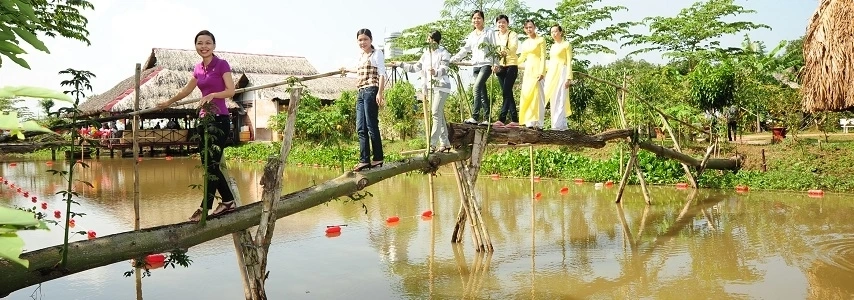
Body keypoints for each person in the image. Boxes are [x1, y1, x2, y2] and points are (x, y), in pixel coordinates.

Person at [155, 30, 236, 222]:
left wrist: (212, 95)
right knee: (208, 164)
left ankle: (204, 207)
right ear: (196, 46)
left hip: (219, 120)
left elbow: (230, 90)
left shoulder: (222, 64)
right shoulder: (198, 68)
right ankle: (228, 201)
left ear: (214, 46)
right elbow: (186, 91)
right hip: (203, 120)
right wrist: (169, 102)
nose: (204, 46)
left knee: (212, 165)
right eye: (200, 43)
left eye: (208, 43)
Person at [394, 30, 452, 153]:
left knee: (435, 113)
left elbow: (445, 68)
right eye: (429, 40)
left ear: (438, 41)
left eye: (432, 40)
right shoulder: (426, 54)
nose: (430, 42)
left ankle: (432, 144)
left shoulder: (444, 52)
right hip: (430, 87)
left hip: (441, 86)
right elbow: (415, 68)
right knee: (438, 114)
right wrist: (400, 64)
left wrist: (435, 72)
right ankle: (445, 142)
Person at [341, 28, 386, 171]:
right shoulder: (360, 56)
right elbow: (358, 69)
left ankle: (378, 158)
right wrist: (346, 70)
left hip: (371, 90)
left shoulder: (377, 53)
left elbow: (382, 74)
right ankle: (364, 160)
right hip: (360, 92)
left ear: (371, 40)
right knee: (360, 127)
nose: (363, 42)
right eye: (360, 40)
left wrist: (380, 93)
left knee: (371, 126)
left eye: (365, 39)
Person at [450, 10, 498, 126]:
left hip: (486, 64)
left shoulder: (489, 32)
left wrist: (495, 63)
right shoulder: (472, 35)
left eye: (479, 18)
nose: (476, 20)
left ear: (483, 20)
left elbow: (494, 48)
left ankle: (475, 116)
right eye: (474, 18)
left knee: (476, 88)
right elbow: (465, 49)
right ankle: (487, 118)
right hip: (475, 65)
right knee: (482, 92)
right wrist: (453, 59)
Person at [517, 20, 546, 129]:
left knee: (539, 96)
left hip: (538, 70)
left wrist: (542, 71)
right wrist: (509, 62)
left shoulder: (541, 40)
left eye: (531, 27)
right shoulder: (525, 43)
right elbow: (522, 57)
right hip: (528, 71)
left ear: (535, 27)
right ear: (524, 29)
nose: (529, 29)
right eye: (527, 28)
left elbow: (543, 56)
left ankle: (540, 123)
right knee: (528, 94)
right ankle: (529, 121)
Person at [544, 24, 574, 131]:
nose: (554, 34)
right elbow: (551, 62)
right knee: (553, 98)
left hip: (562, 71)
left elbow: (569, 61)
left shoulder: (566, 44)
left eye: (556, 31)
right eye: (552, 32)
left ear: (560, 32)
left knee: (561, 97)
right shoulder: (552, 46)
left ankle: (559, 125)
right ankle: (558, 124)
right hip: (552, 73)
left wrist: (568, 77)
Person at [492, 14, 520, 128]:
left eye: (503, 22)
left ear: (507, 23)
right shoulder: (495, 36)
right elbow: (492, 50)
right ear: (496, 24)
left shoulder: (512, 34)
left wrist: (504, 51)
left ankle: (502, 119)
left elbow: (513, 47)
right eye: (499, 22)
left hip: (511, 65)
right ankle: (514, 119)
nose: (501, 24)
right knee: (508, 92)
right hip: (500, 66)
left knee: (506, 91)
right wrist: (494, 64)